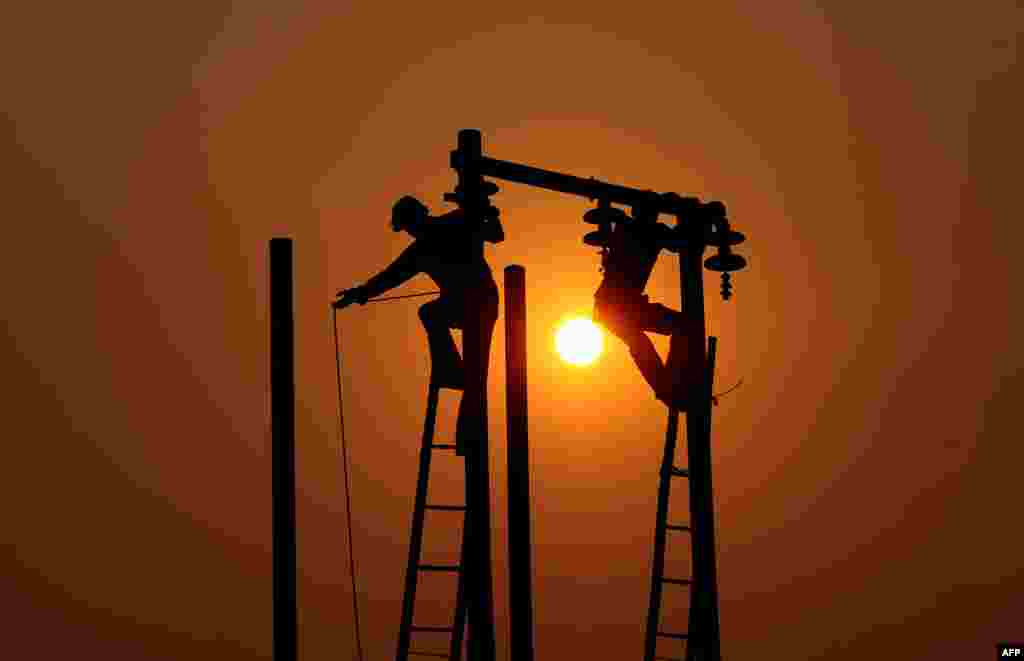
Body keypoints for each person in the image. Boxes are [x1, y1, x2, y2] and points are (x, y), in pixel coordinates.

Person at [335, 195, 504, 451]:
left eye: (410, 224)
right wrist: (358, 294)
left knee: (475, 373)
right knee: (432, 316)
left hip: (482, 303)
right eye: (407, 228)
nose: (411, 231)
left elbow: (496, 234)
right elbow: (388, 277)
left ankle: (467, 433)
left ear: (421, 215)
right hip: (461, 305)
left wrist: (487, 213)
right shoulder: (421, 249)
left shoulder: (456, 222)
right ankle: (450, 367)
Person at [590, 199, 698, 411]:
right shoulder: (650, 230)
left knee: (651, 337)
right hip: (614, 306)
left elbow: (679, 242)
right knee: (667, 331)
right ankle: (670, 388)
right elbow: (680, 243)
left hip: (617, 306)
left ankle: (671, 386)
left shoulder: (632, 227)